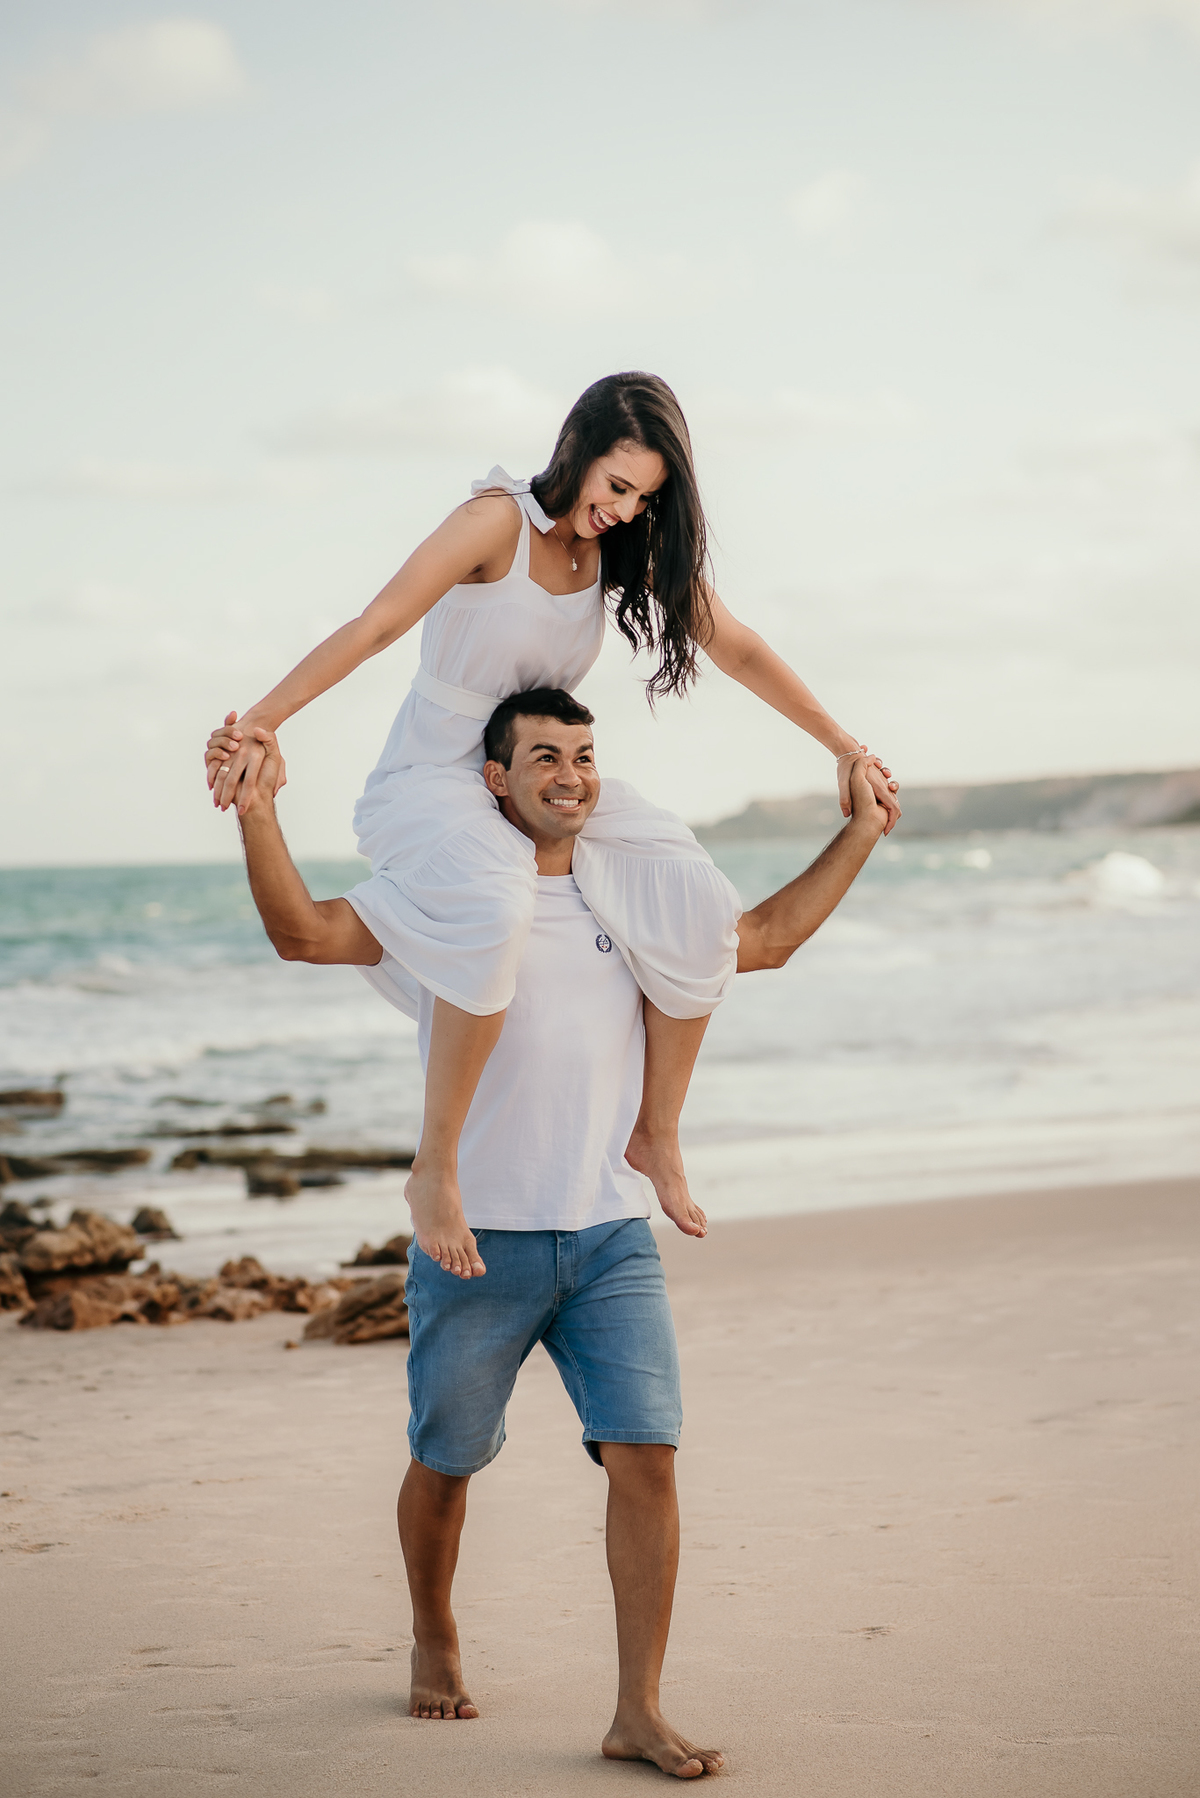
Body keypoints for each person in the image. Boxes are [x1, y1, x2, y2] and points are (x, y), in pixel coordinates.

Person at [227, 688, 890, 1779]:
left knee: (650, 1457)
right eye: (543, 755)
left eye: (584, 754)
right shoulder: (446, 898)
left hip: (610, 1236)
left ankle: (637, 1706)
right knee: (447, 1460)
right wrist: (259, 812)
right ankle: (434, 1632)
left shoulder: (632, 891)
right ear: (495, 777)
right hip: (475, 1243)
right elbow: (303, 931)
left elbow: (758, 942)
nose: (569, 773)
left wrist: (860, 825)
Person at [204, 371, 900, 1286]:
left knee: (689, 893)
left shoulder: (618, 551)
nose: (622, 509)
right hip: (439, 777)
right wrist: (261, 719)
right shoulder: (498, 522)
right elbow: (377, 624)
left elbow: (733, 643)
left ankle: (654, 1132)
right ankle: (438, 1167)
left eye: (644, 496)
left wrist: (843, 744)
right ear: (576, 449)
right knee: (498, 904)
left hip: (539, 775)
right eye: (616, 485)